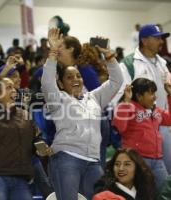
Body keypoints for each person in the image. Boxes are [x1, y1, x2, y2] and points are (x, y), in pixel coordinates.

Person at [42, 28, 123, 200]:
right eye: (69, 78)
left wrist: (108, 54)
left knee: (101, 198)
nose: (76, 80)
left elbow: (117, 81)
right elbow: (47, 82)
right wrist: (53, 53)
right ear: (61, 84)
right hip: (66, 158)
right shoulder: (57, 99)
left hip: (93, 160)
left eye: (78, 76)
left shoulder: (94, 97)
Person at [116, 23, 171, 175]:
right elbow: (122, 96)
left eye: (162, 38)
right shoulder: (128, 64)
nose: (161, 42)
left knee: (166, 173)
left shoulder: (162, 63)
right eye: (157, 38)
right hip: (139, 127)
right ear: (144, 40)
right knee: (142, 177)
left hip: (162, 122)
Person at [112, 78, 171, 188]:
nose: (155, 97)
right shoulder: (129, 107)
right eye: (151, 93)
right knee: (141, 194)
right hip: (138, 160)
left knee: (165, 192)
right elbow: (120, 127)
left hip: (158, 160)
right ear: (139, 96)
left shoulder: (156, 110)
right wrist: (126, 102)